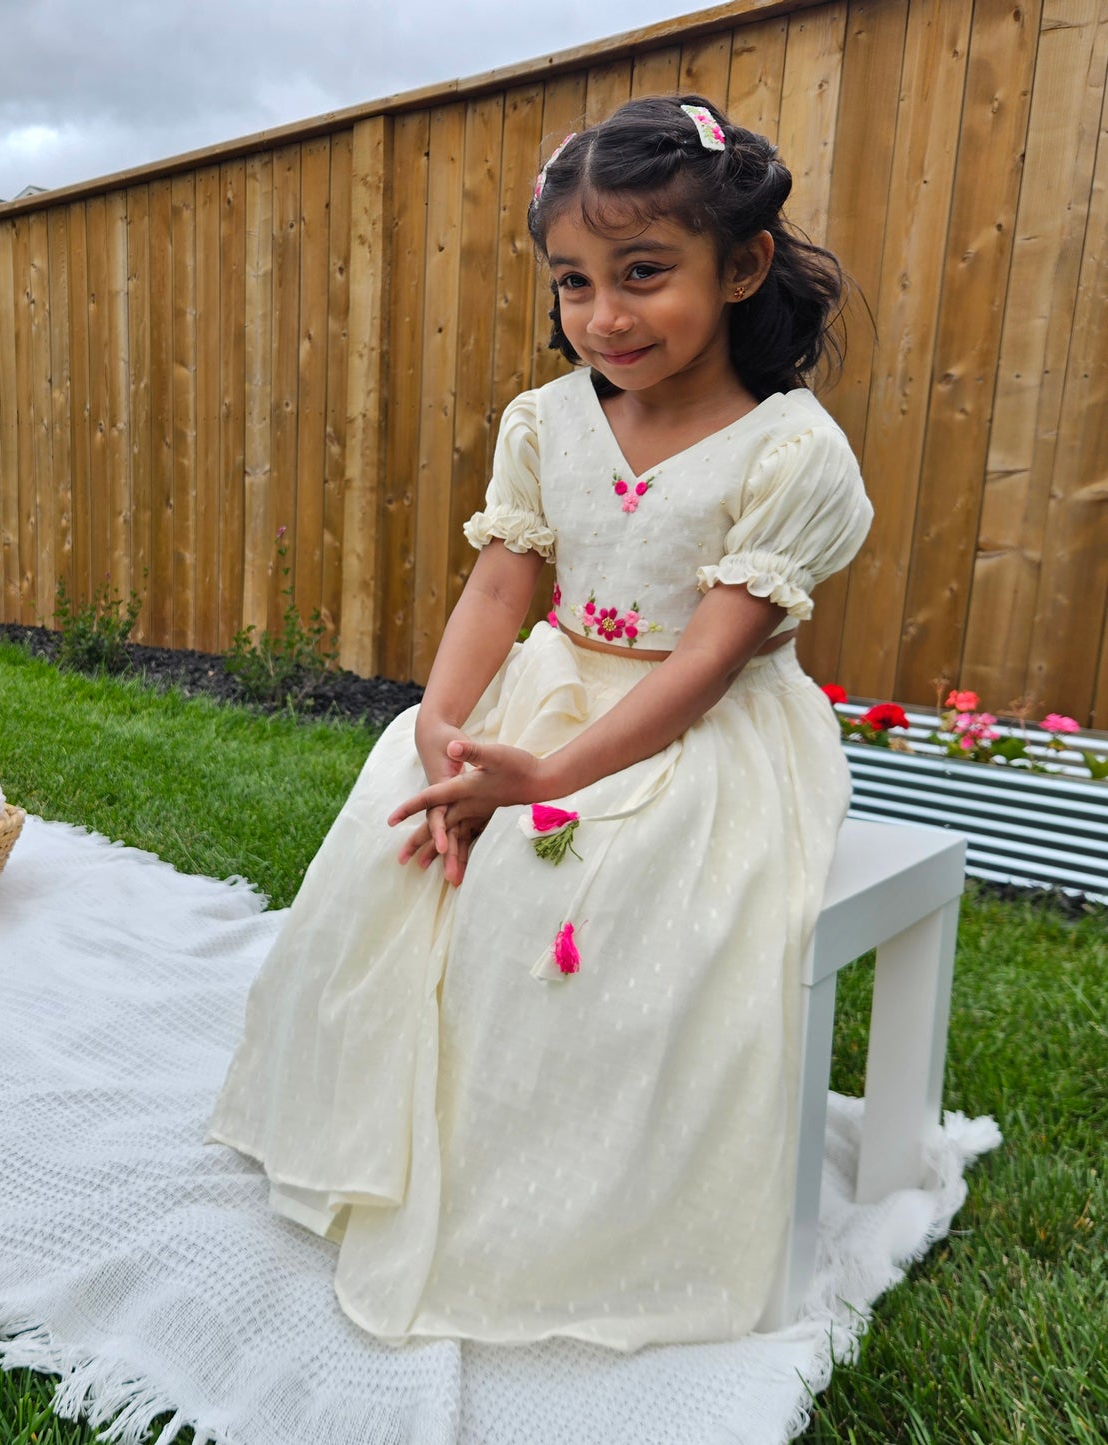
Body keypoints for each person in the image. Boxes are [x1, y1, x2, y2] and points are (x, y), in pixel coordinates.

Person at [208, 94, 873, 1354]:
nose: (603, 315)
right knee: (403, 862)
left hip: (696, 724)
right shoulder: (546, 421)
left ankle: (560, 1182)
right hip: (548, 685)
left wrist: (545, 776)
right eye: (573, 282)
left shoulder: (789, 451)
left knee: (560, 898)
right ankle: (401, 1127)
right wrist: (443, 722)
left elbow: (713, 662)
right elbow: (503, 582)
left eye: (641, 274)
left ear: (739, 268)